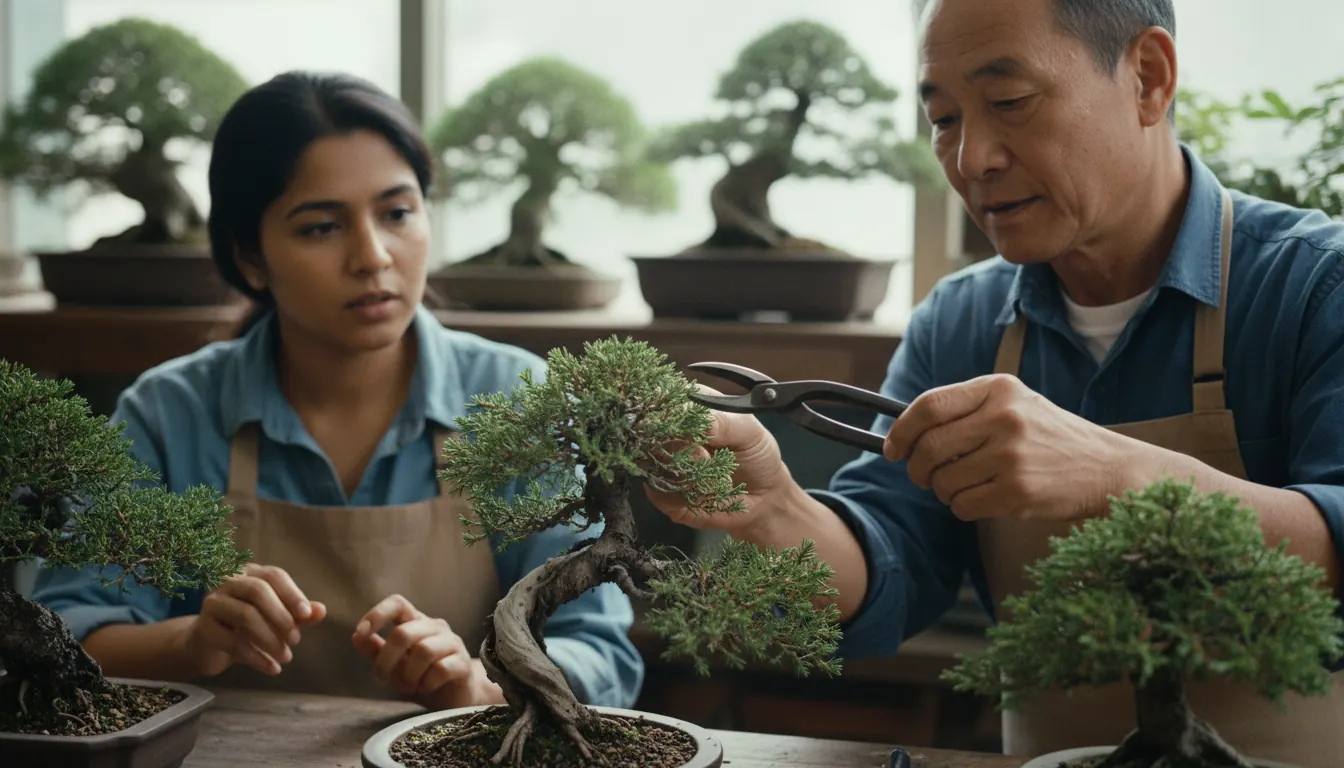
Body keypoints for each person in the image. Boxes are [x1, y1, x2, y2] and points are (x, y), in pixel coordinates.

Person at [648, 0, 1344, 763]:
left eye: (1010, 103)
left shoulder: (1315, 289)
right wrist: (774, 510)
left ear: (1148, 77)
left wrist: (1122, 474)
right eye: (944, 119)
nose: (971, 158)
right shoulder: (959, 322)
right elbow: (894, 563)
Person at [32, 71, 641, 710]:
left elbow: (599, 651)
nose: (373, 256)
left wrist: (478, 685)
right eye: (321, 227)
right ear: (249, 258)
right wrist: (192, 643)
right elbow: (67, 636)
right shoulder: (169, 414)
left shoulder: (514, 400)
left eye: (398, 213)